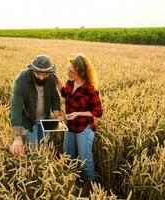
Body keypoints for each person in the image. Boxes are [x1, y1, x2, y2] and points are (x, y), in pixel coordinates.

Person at [53, 54, 103, 196]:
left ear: (80, 72)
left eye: (71, 72)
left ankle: (88, 185)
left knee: (84, 158)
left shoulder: (90, 90)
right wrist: (56, 78)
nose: (68, 73)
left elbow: (98, 112)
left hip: (84, 129)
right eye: (67, 70)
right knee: (68, 155)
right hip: (70, 127)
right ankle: (71, 182)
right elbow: (64, 93)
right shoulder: (69, 83)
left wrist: (78, 114)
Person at [9, 55, 63, 156]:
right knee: (32, 151)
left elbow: (55, 97)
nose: (42, 78)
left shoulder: (51, 78)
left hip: (45, 119)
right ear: (32, 70)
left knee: (44, 147)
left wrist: (57, 115)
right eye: (38, 74)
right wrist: (17, 137)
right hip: (28, 120)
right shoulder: (21, 79)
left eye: (45, 74)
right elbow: (16, 107)